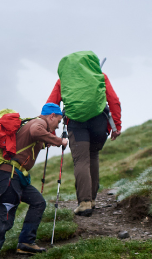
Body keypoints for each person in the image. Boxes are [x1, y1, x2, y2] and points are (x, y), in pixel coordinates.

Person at [0, 104, 67, 259]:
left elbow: (30, 140)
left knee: (38, 202)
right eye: (58, 121)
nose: (57, 126)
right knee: (6, 218)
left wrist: (45, 142)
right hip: (9, 175)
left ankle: (26, 243)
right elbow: (36, 131)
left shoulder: (34, 124)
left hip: (17, 176)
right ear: (51, 116)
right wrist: (59, 141)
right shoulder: (39, 123)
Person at [45, 52, 123, 216]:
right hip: (99, 123)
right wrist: (116, 126)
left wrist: (50, 132)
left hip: (76, 124)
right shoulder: (100, 76)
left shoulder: (63, 81)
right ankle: (92, 200)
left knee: (81, 160)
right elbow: (114, 101)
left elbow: (51, 105)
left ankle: (84, 203)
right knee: (93, 156)